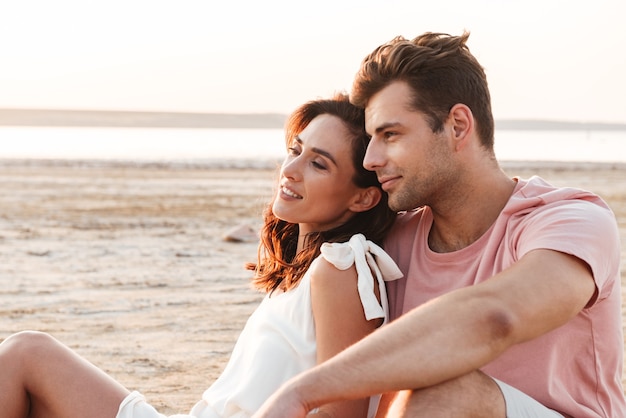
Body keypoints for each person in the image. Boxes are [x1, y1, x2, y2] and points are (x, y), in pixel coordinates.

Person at [252, 32, 626, 418]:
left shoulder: (570, 220)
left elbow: (496, 317)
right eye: (371, 139)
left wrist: (301, 393)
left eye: (390, 135)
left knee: (449, 389)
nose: (371, 159)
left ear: (458, 126)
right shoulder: (388, 245)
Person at [0, 93, 402, 418]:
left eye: (318, 163)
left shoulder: (340, 267)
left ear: (363, 196)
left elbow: (342, 413)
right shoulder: (306, 270)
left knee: (27, 352)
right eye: (295, 150)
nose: (291, 169)